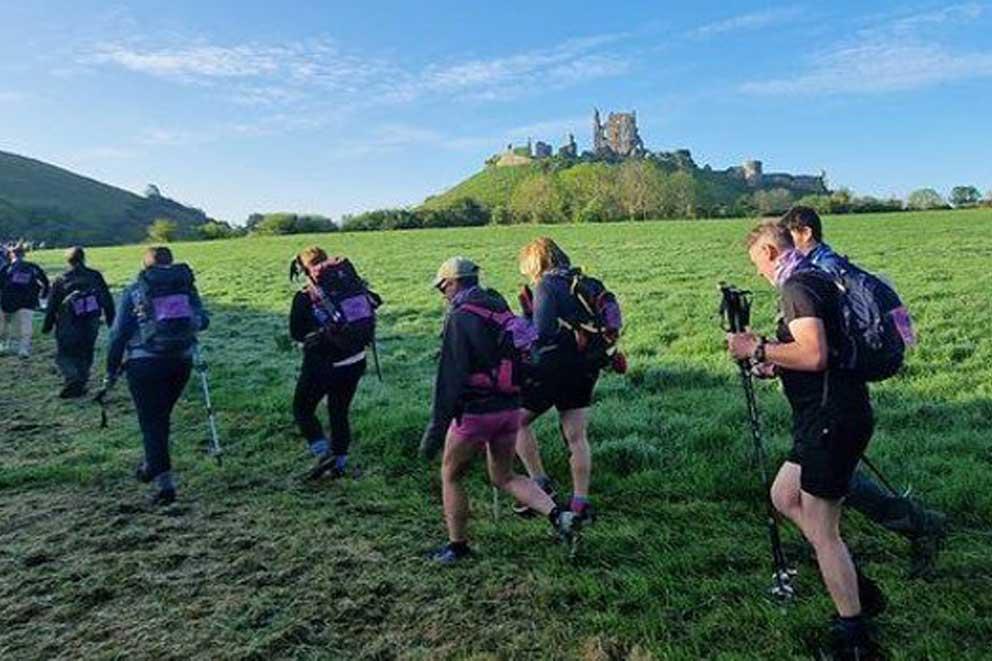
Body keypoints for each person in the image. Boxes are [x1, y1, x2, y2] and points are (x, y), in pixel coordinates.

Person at [727, 222, 884, 659]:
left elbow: (813, 354)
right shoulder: (815, 279)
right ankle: (850, 583)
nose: (759, 272)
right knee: (784, 495)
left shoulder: (797, 286)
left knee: (824, 529)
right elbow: (814, 351)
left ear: (771, 251)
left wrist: (757, 350)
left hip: (831, 419)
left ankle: (853, 638)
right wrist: (775, 362)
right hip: (827, 416)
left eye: (758, 262)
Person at [780, 205, 946, 577]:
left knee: (834, 476)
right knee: (830, 475)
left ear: (804, 233)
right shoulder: (837, 265)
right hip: (841, 384)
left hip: (831, 392)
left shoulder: (811, 272)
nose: (783, 248)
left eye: (788, 236)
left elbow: (818, 346)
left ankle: (905, 528)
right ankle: (841, 543)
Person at [419, 257, 580, 564]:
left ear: (453, 283)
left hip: (476, 412)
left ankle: (457, 547)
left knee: (451, 474)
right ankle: (560, 517)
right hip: (510, 409)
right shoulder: (499, 306)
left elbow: (449, 377)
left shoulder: (460, 317)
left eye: (443, 287)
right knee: (504, 476)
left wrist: (435, 431)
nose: (443, 294)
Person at [105, 246, 209, 505]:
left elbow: (118, 333)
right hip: (180, 361)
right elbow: (203, 321)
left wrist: (111, 369)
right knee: (161, 418)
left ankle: (164, 484)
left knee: (152, 423)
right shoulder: (186, 287)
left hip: (144, 363)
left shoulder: (135, 290)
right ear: (170, 263)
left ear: (146, 264)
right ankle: (153, 465)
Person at [514, 238, 599, 523]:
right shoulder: (589, 283)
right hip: (587, 367)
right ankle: (580, 503)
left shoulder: (546, 286)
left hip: (553, 368)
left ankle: (539, 485)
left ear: (536, 262)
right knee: (576, 436)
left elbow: (543, 332)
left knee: (516, 422)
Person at [289, 246, 372, 479]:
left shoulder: (305, 297)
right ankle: (340, 464)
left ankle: (323, 453)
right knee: (339, 411)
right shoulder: (352, 287)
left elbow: (296, 333)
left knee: (302, 408)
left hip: (323, 365)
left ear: (305, 269)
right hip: (356, 360)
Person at [42, 247, 115, 398]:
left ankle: (72, 378)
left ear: (68, 261)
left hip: (68, 323)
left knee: (65, 354)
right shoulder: (95, 276)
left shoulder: (61, 278)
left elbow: (52, 305)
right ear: (83, 258)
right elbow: (107, 299)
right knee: (86, 351)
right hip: (91, 320)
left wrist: (47, 325)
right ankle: (81, 381)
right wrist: (111, 320)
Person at [0, 244, 50, 358]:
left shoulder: (6, 268)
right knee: (25, 325)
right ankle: (23, 349)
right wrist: (43, 296)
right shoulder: (33, 267)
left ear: (11, 254)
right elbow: (45, 282)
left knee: (4, 325)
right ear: (24, 254)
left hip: (8, 301)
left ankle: (4, 345)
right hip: (28, 301)